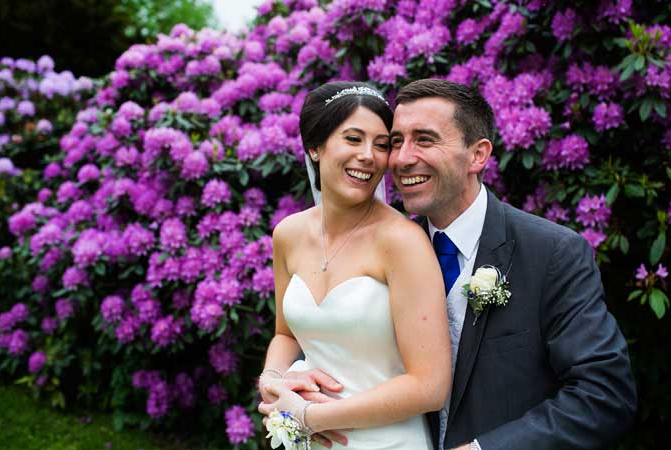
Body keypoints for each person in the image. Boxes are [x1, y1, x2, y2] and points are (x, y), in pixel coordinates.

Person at [388, 79, 638, 450]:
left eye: (424, 139)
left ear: (478, 155)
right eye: (396, 141)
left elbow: (603, 394)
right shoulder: (386, 252)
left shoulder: (552, 253)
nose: (402, 158)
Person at [258, 81, 452, 449]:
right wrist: (270, 381)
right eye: (353, 139)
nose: (369, 156)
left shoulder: (402, 242)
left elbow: (430, 386)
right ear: (314, 147)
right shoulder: (288, 234)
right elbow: (285, 335)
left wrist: (309, 417)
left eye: (381, 145)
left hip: (388, 440)